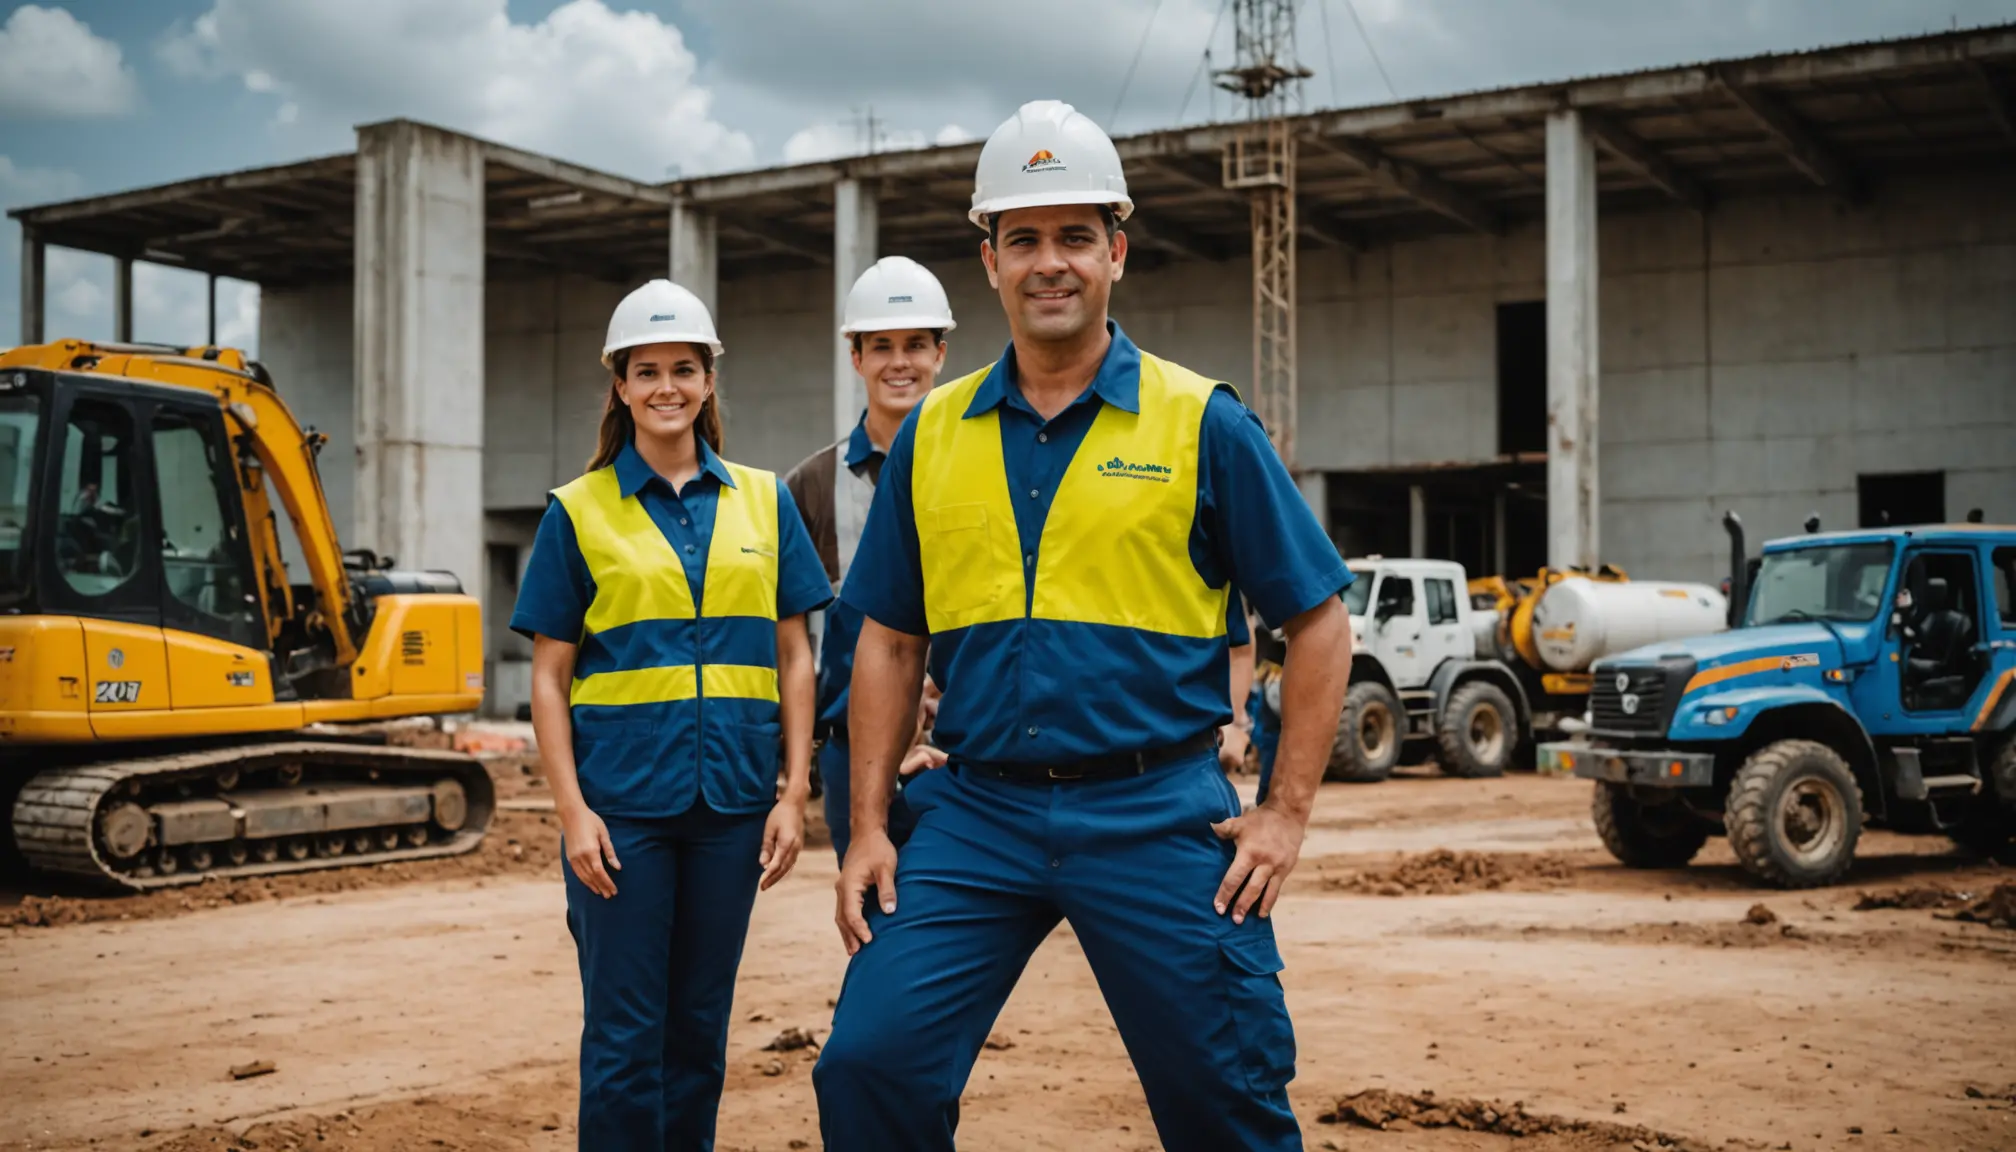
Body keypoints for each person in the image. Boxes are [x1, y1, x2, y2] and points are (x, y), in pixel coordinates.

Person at [813, 101, 1356, 1152]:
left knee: (1228, 1103)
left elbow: (1321, 622)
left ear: (1117, 247)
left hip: (1156, 812)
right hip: (977, 813)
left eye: (1072, 237)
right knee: (868, 1065)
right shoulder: (934, 433)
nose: (1048, 263)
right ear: (989, 261)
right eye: (1023, 239)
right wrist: (869, 827)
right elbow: (886, 640)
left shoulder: (1202, 422)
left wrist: (1285, 813)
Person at [510, 279, 831, 1151]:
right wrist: (572, 813)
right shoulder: (577, 513)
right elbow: (549, 676)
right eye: (646, 370)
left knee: (697, 1033)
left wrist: (793, 792)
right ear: (619, 384)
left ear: (708, 380)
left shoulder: (763, 502)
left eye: (683, 369)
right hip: (621, 818)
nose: (666, 387)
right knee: (623, 1039)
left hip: (729, 810)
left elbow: (796, 654)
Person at [786, 256, 957, 862]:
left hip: (968, 755)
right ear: (855, 358)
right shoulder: (810, 486)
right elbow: (788, 640)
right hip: (852, 754)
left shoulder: (985, 468)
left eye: (915, 345)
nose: (899, 362)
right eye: (880, 346)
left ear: (941, 353)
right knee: (873, 926)